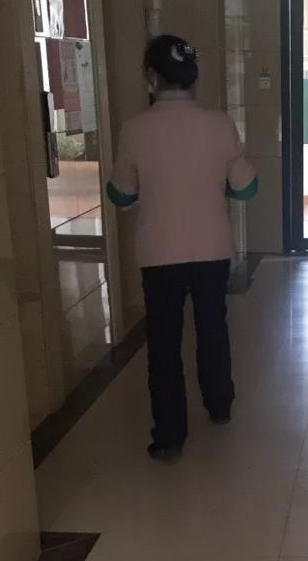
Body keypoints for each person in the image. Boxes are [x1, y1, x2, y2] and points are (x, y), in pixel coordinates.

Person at [108, 34, 258, 461]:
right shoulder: (219, 123)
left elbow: (121, 194)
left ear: (152, 75)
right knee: (212, 327)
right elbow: (246, 188)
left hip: (159, 251)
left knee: (163, 340)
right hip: (212, 247)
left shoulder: (135, 129)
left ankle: (170, 435)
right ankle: (219, 403)